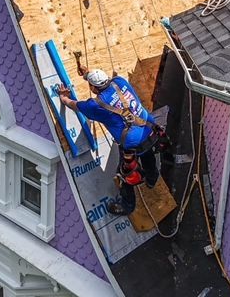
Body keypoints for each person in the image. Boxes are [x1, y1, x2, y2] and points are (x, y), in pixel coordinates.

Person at [57, 67, 164, 215]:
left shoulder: (95, 105)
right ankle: (152, 179)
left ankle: (127, 205)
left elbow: (75, 105)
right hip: (150, 129)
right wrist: (88, 74)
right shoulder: (119, 82)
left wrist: (64, 98)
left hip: (132, 144)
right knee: (147, 154)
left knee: (124, 173)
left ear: (93, 88)